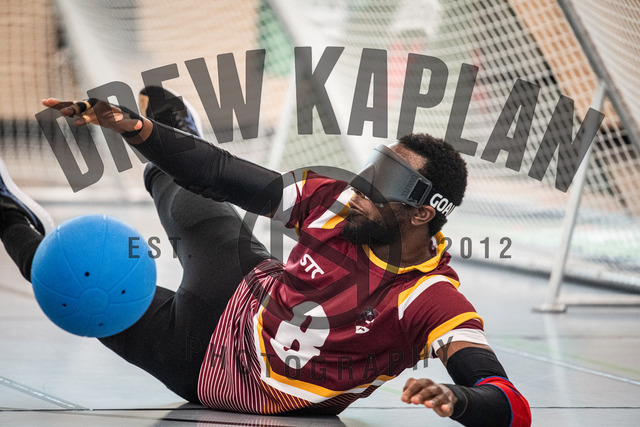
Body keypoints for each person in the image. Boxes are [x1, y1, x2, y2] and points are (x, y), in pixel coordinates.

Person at [0, 87, 531, 426]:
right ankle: (172, 129)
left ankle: (4, 213)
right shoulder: (336, 203)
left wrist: (459, 400)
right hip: (237, 288)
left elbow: (511, 404)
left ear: (422, 213)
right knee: (182, 186)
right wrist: (134, 129)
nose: (361, 186)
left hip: (199, 366)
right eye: (374, 167)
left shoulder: (430, 300)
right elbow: (222, 174)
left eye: (386, 181)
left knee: (70, 284)